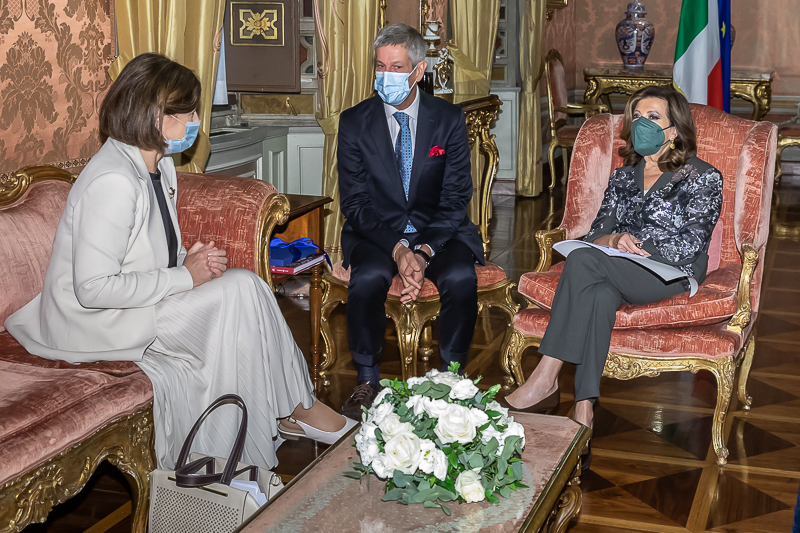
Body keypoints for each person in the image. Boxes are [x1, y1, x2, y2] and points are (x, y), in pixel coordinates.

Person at [4, 53, 355, 470]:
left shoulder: (161, 165)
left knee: (247, 285)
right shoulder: (113, 180)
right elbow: (93, 288)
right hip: (92, 321)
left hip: (137, 302)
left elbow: (145, 250)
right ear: (155, 115)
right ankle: (293, 414)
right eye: (188, 112)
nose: (194, 121)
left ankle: (296, 409)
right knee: (239, 293)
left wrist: (185, 260)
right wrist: (184, 276)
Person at [503, 85, 723, 467]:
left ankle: (547, 375)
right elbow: (594, 235)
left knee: (582, 262)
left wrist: (634, 243)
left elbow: (691, 243)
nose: (642, 124)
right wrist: (614, 238)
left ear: (673, 129)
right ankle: (584, 410)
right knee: (598, 293)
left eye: (653, 117)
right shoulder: (625, 176)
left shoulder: (703, 177)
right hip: (614, 268)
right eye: (637, 117)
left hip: (668, 272)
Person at [336, 24, 483, 419]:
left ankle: (453, 380)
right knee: (366, 278)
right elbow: (355, 202)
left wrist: (421, 250)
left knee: (460, 277)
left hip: (439, 231)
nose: (386, 76)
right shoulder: (354, 122)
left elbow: (455, 197)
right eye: (380, 66)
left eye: (396, 67)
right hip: (376, 231)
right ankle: (367, 379)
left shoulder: (448, 119)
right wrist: (399, 249)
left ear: (418, 71)